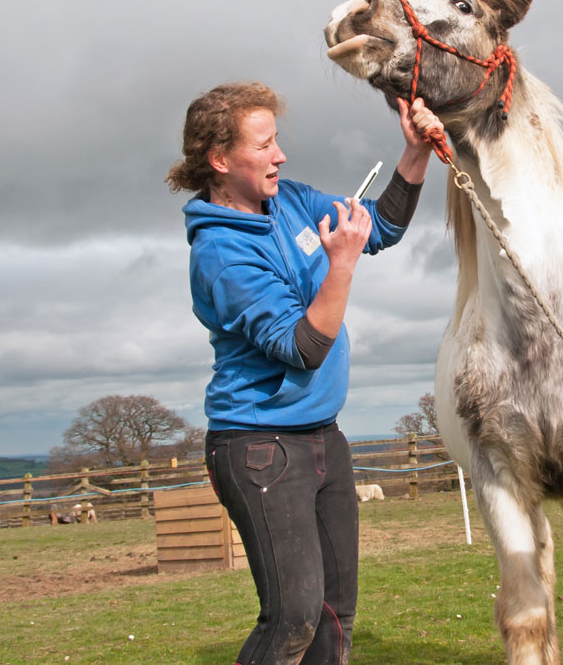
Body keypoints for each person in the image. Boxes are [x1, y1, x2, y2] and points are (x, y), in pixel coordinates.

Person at [166, 81, 437, 665]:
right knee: (292, 618)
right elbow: (304, 346)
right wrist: (339, 264)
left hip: (324, 438)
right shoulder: (219, 252)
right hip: (259, 447)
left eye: (277, 141)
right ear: (220, 159)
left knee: (335, 617)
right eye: (264, 146)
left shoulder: (288, 199)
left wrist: (414, 153)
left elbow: (380, 228)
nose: (279, 156)